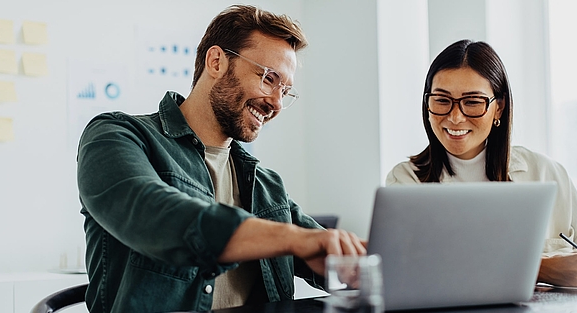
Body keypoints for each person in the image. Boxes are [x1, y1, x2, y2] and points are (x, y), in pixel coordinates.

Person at [76, 5, 365, 313]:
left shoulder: (267, 186)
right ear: (216, 61)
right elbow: (158, 215)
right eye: (268, 78)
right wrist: (293, 238)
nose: (276, 103)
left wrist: (364, 260)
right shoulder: (117, 135)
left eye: (286, 91)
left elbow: (325, 250)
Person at [386, 39, 577, 287]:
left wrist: (575, 265)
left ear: (498, 108)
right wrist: (539, 268)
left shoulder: (544, 172)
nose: (455, 117)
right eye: (442, 100)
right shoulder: (406, 181)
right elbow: (412, 266)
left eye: (473, 102)